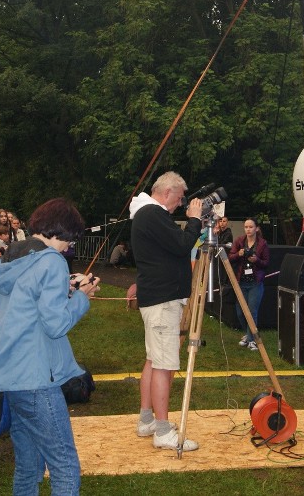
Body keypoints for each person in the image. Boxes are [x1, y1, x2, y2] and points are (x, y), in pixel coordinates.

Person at [0, 198, 99, 495]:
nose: (67, 249)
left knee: (29, 467)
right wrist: (82, 298)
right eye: (69, 242)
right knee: (65, 464)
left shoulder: (12, 255)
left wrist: (64, 288)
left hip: (11, 372)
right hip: (34, 375)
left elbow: (27, 300)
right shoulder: (51, 261)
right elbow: (56, 325)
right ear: (64, 232)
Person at [129, 171, 202, 451]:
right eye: (180, 198)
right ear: (168, 192)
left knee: (153, 359)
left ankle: (147, 419)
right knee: (163, 364)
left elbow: (161, 253)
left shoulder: (146, 214)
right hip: (163, 301)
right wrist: (195, 220)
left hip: (158, 297)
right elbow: (183, 245)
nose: (181, 204)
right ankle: (161, 431)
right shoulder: (152, 213)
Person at [228, 218, 270, 351]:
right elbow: (230, 258)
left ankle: (252, 340)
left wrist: (256, 260)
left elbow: (266, 263)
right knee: (240, 312)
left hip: (255, 283)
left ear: (256, 228)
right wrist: (238, 254)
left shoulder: (262, 244)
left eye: (251, 227)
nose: (248, 229)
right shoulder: (239, 241)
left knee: (252, 312)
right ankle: (248, 334)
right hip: (241, 282)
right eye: (246, 227)